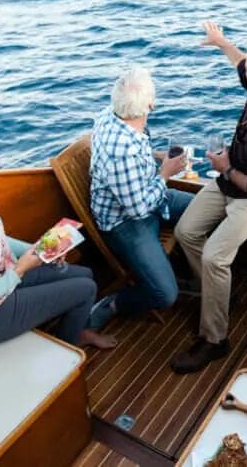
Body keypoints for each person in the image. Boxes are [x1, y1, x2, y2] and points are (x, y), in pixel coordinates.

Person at [170, 21, 247, 374]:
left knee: (214, 256)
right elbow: (240, 60)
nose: (244, 67)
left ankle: (215, 339)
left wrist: (226, 169)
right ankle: (219, 294)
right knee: (186, 231)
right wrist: (220, 41)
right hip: (229, 179)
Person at [0, 133, 116, 362]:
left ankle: (75, 328)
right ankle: (68, 346)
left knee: (85, 274)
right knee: (85, 288)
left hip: (0, 277)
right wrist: (19, 271)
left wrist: (38, 251)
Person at [87, 64, 196, 327]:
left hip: (148, 194)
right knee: (164, 294)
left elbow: (137, 152)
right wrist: (166, 173)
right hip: (127, 222)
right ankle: (114, 303)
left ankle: (193, 273)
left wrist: (156, 157)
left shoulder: (113, 114)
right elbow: (138, 209)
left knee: (207, 209)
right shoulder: (120, 150)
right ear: (150, 106)